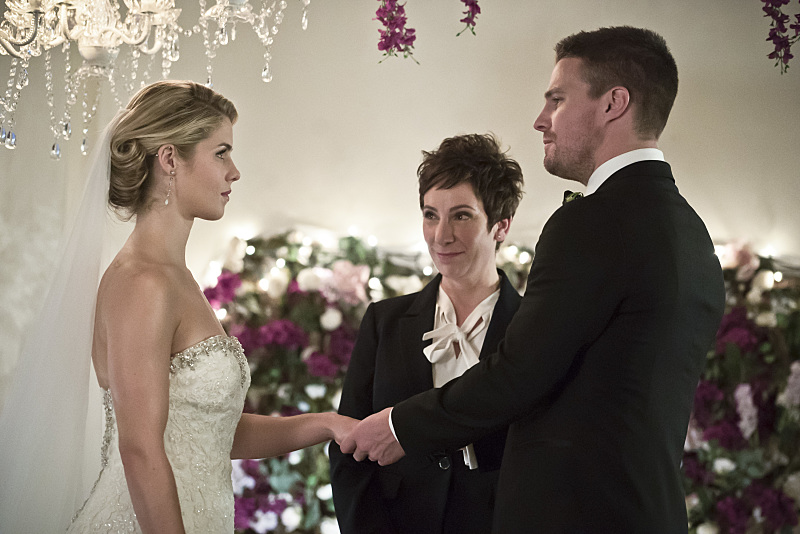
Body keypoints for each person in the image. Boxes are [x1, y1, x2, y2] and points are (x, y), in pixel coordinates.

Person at [341, 26, 726, 533]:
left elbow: (519, 372)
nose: (541, 120)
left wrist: (399, 424)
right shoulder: (691, 232)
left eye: (557, 100)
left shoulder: (592, 222)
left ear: (613, 103)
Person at [0, 81, 355, 534]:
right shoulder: (142, 282)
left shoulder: (175, 277)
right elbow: (140, 448)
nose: (234, 172)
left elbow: (211, 432)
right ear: (170, 159)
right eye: (221, 153)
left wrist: (326, 424)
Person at [329, 133, 524, 534]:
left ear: (501, 226)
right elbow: (350, 448)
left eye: (462, 216)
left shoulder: (531, 328)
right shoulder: (384, 321)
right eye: (431, 215)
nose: (440, 235)